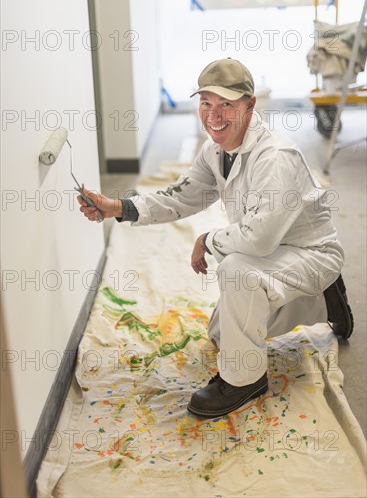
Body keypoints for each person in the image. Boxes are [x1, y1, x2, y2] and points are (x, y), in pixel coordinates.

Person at [78, 58, 354, 419]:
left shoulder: (276, 158)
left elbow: (258, 241)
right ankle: (323, 302)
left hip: (310, 253)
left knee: (237, 270)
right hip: (275, 253)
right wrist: (119, 207)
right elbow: (181, 196)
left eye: (227, 104)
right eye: (206, 103)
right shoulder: (215, 150)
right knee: (222, 334)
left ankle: (244, 381)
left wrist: (207, 239)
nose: (214, 115)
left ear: (250, 104)